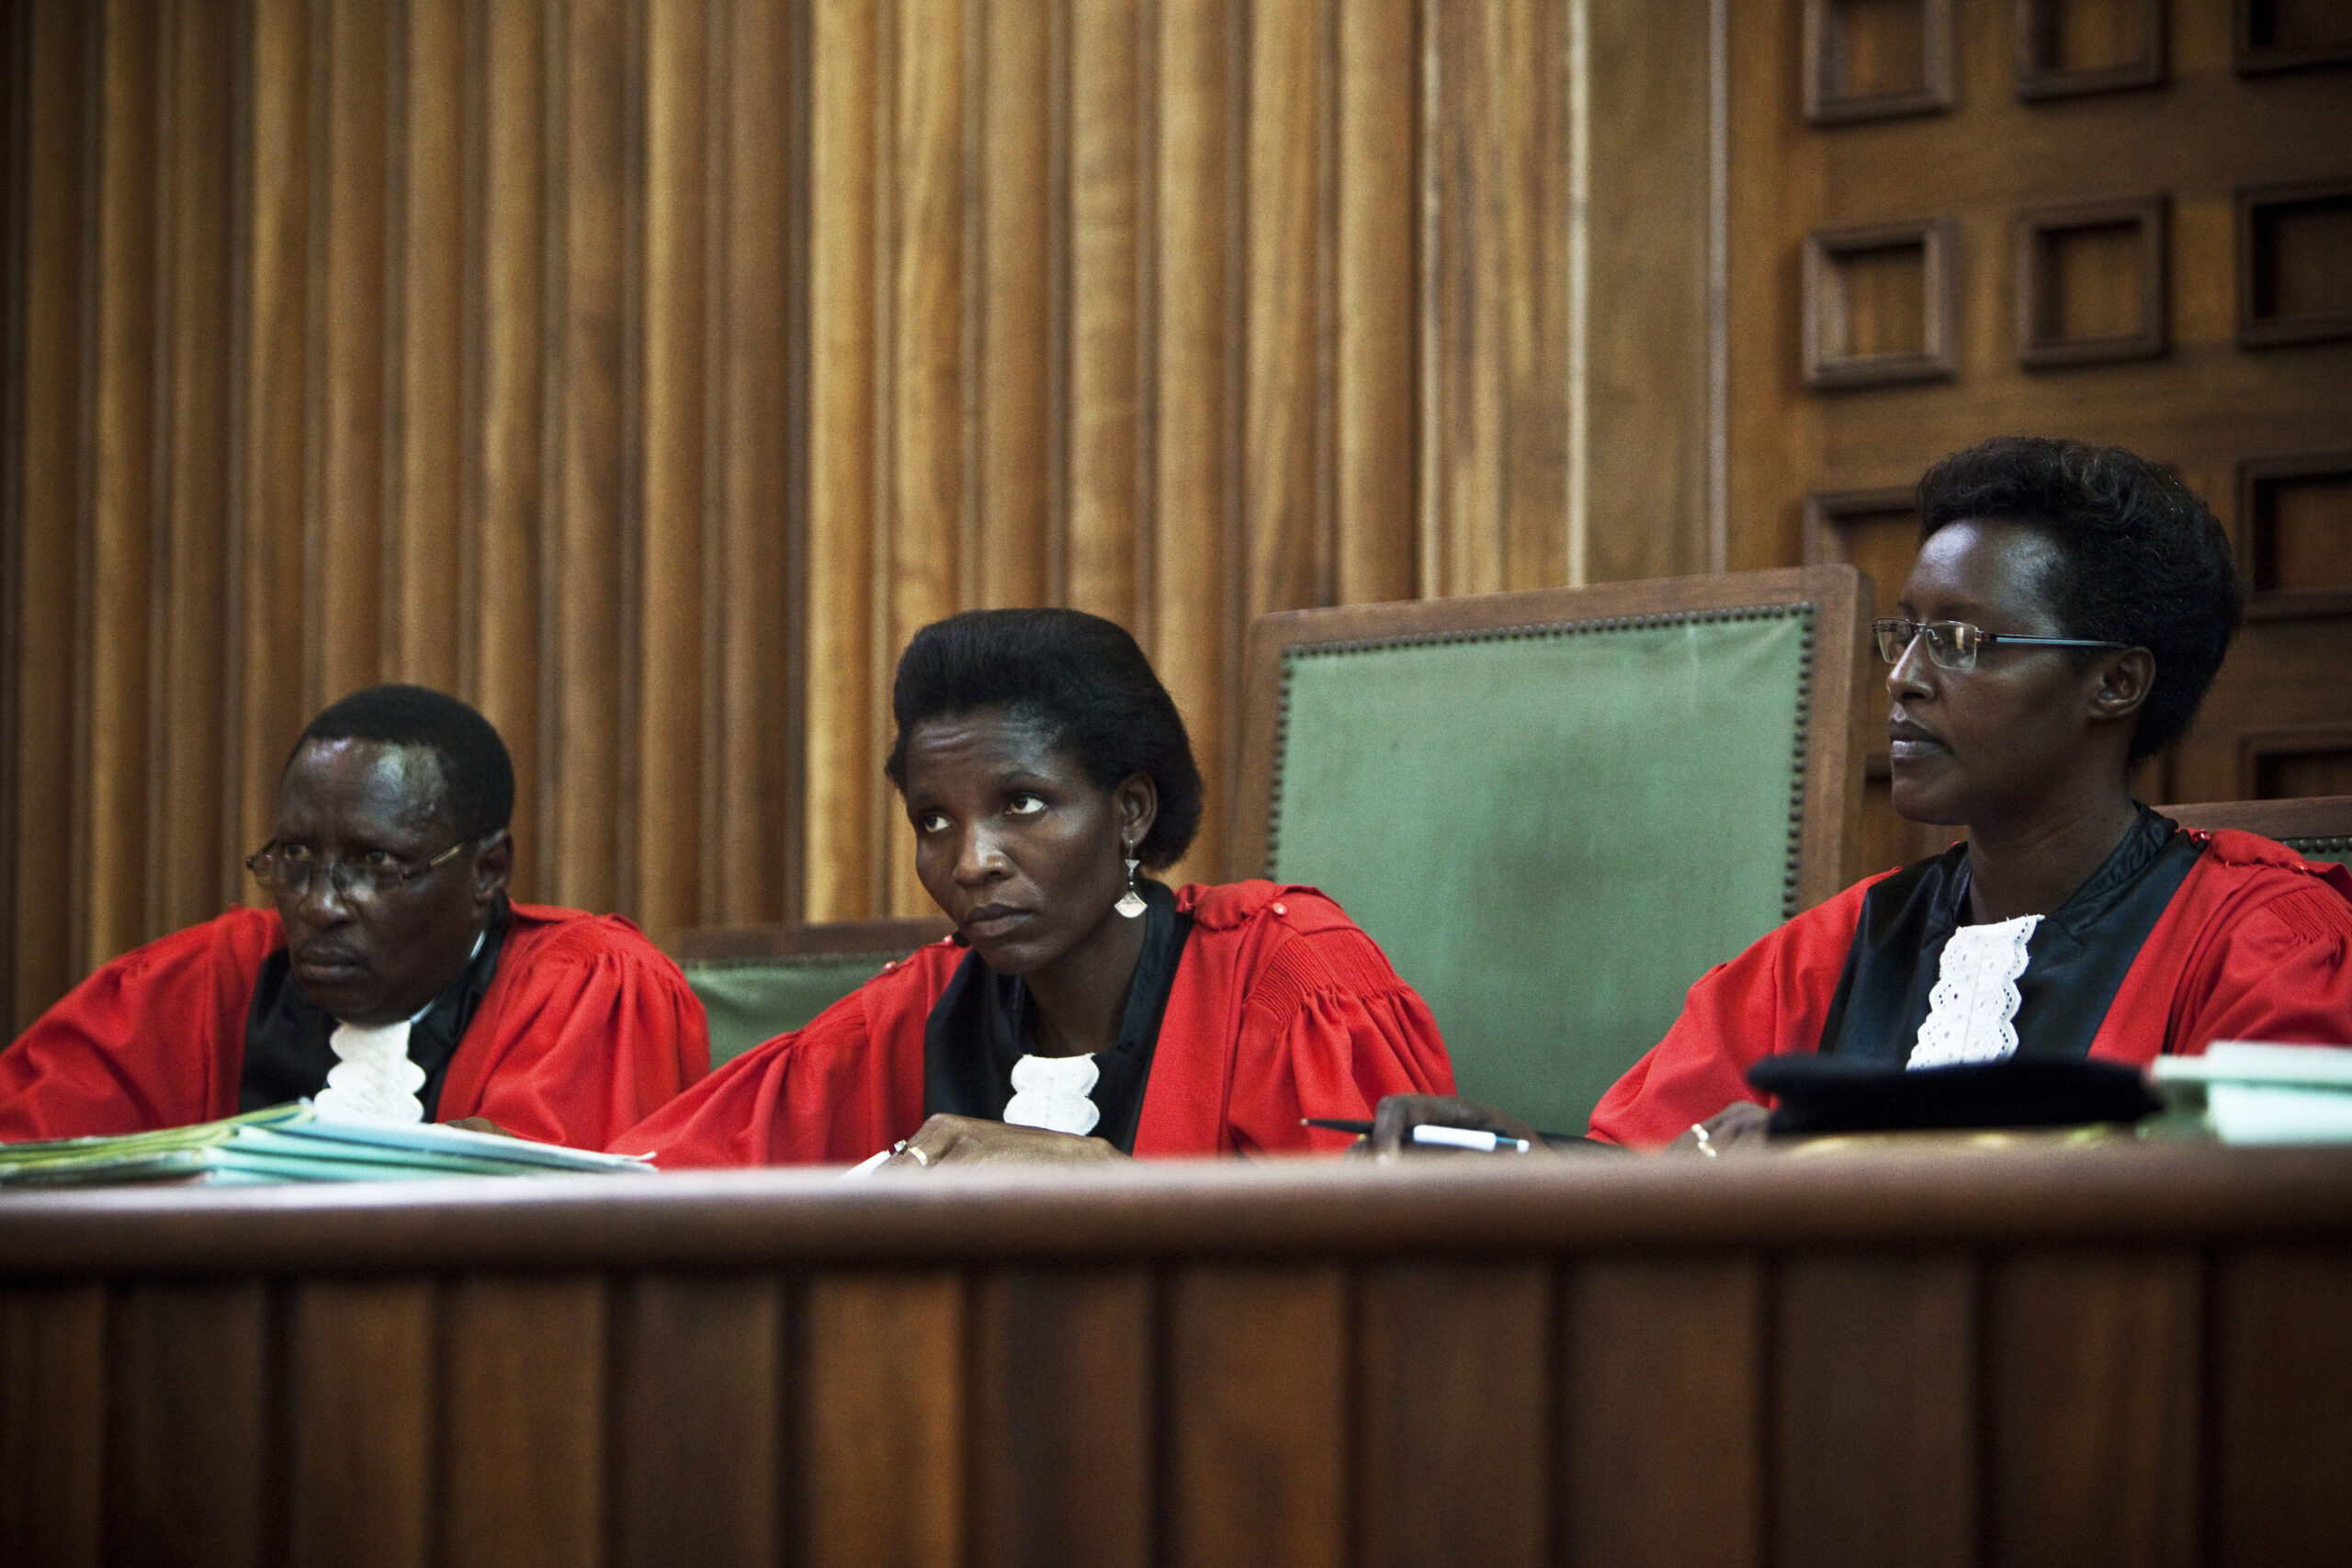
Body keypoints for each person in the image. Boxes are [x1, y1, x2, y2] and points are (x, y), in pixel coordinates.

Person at [1377, 436, 2352, 1156]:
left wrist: (1830, 1165)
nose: (1904, 678)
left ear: (2115, 684)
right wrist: (1498, 1152)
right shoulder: (1827, 952)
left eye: (1963, 643)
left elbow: (2264, 1243)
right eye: (1906, 634)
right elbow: (1645, 1169)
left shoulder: (2260, 941)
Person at [614, 608, 1454, 1168]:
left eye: (1022, 803)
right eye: (933, 820)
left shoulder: (1285, 978)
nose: (970, 860)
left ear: (1129, 810)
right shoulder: (913, 1011)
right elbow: (656, 1181)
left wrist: (1106, 1185)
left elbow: (1386, 1283)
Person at [0, 685, 708, 1145]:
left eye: (374, 864)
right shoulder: (202, 983)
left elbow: (539, 1224)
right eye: (297, 855)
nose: (320, 902)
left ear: (486, 872)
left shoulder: (588, 989)